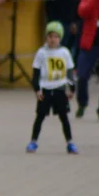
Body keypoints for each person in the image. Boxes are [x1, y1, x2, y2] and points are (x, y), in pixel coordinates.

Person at [27, 21, 78, 154]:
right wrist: (37, 89)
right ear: (46, 38)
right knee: (40, 116)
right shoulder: (41, 53)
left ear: (60, 38)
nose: (53, 39)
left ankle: (70, 143)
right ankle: (33, 141)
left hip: (60, 89)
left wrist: (72, 89)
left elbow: (70, 72)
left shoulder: (64, 52)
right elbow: (36, 73)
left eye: (56, 37)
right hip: (45, 90)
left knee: (64, 117)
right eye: (50, 36)